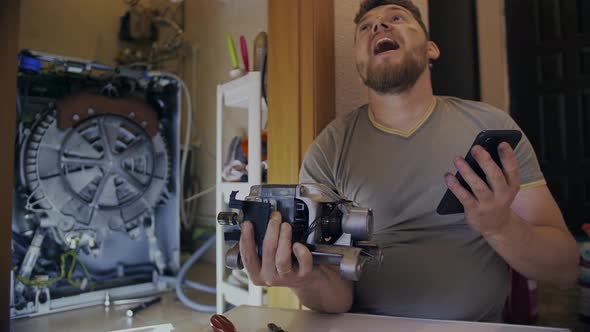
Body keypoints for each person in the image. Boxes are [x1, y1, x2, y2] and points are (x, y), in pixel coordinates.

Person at [238, 0, 580, 322]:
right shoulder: (328, 150)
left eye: (397, 18)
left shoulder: (492, 128)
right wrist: (302, 278)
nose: (380, 25)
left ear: (431, 48)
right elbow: (337, 298)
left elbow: (564, 268)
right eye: (366, 27)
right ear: (358, 62)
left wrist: (500, 226)